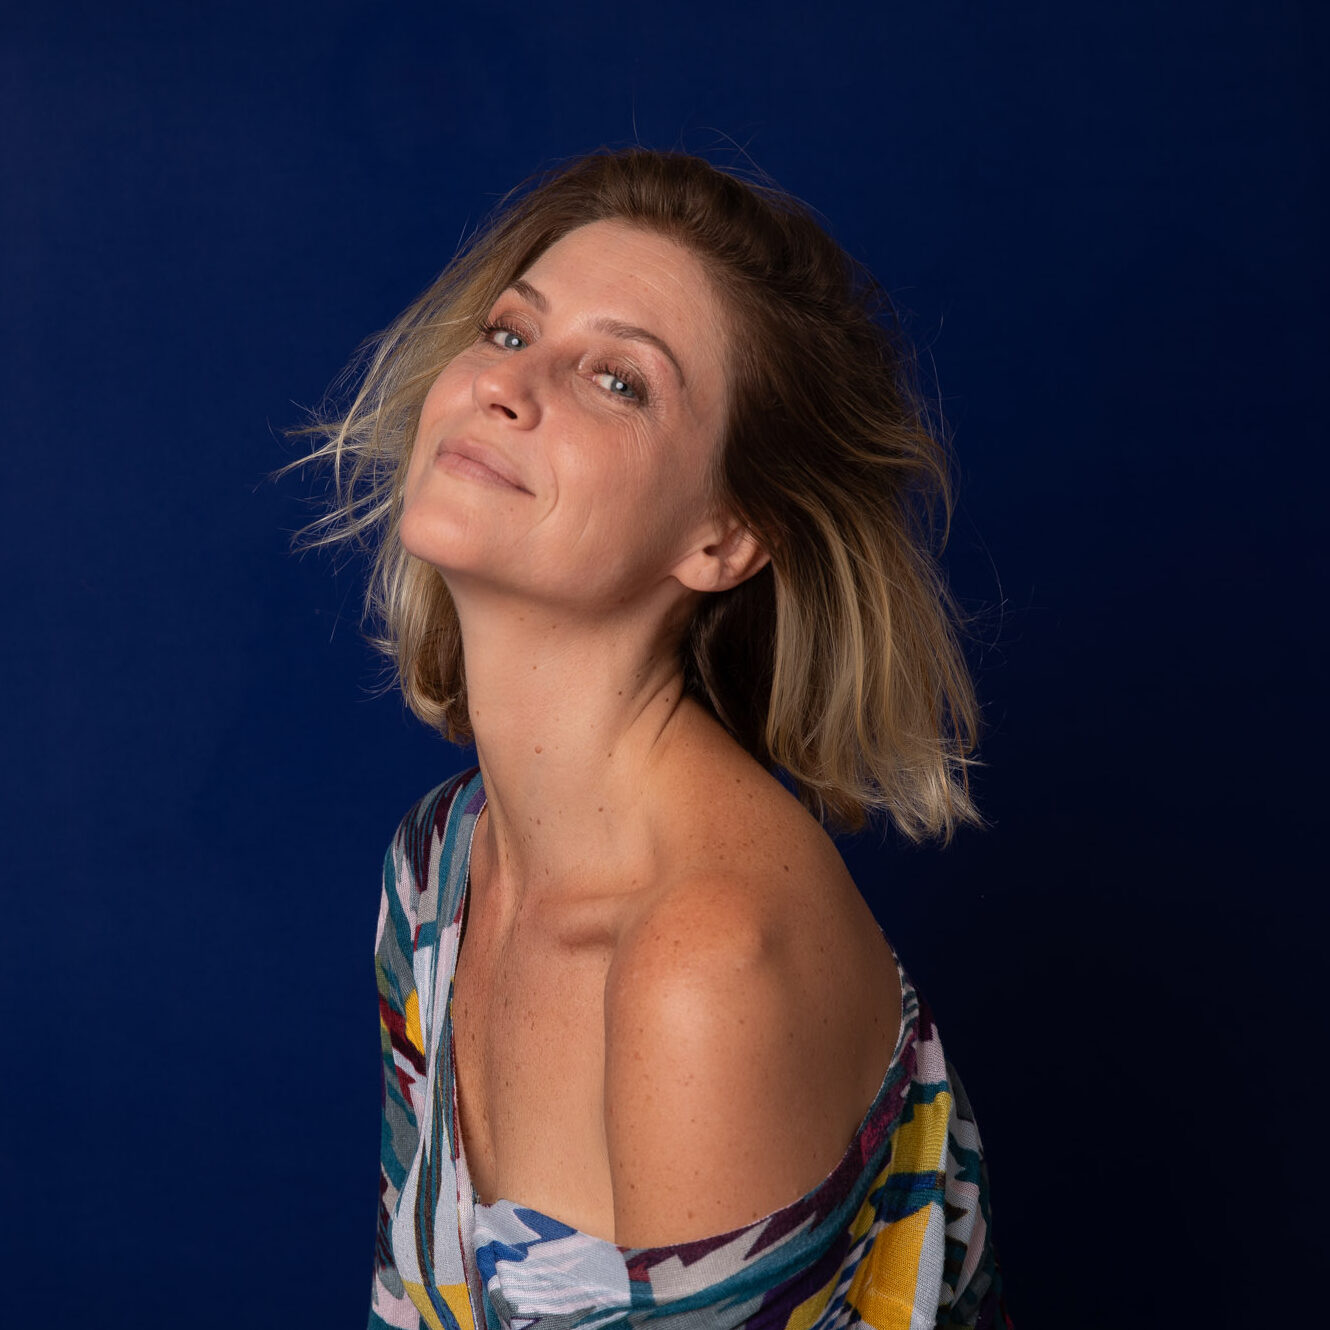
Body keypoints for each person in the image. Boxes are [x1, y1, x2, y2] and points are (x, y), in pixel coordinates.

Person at [294, 147, 1011, 1329]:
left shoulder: (704, 964)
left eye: (617, 380)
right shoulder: (439, 871)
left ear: (724, 538)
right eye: (511, 331)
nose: (505, 383)